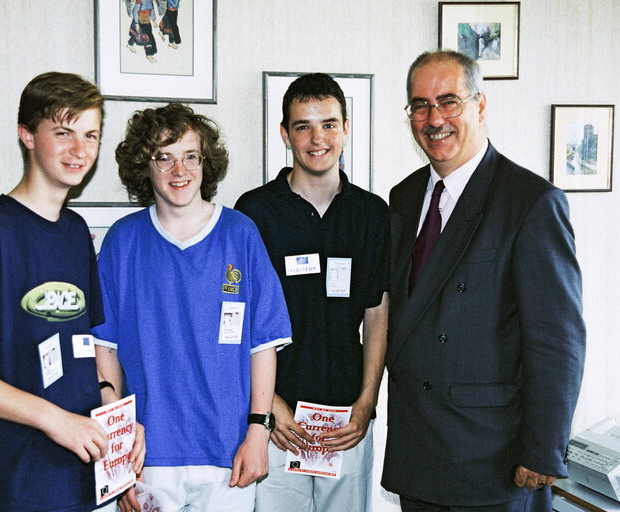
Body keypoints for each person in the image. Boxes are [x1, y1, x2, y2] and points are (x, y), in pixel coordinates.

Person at [0, 71, 145, 512]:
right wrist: (52, 418)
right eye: (63, 133)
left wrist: (118, 422)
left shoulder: (77, 232)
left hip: (75, 482)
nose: (79, 150)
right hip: (7, 482)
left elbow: (82, 353)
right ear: (26, 134)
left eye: (90, 135)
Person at [383, 50, 586, 511]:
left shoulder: (531, 202)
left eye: (449, 101)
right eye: (420, 105)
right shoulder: (404, 197)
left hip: (493, 459)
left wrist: (545, 447)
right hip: (418, 454)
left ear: (480, 105)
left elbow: (558, 340)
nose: (434, 119)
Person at [93, 103, 292, 512]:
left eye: (189, 156)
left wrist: (258, 432)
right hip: (148, 454)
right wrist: (118, 449)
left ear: (206, 162)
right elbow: (104, 348)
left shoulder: (241, 233)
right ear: (143, 166)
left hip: (229, 450)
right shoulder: (122, 241)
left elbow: (263, 345)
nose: (178, 171)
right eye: (162, 158)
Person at [235, 73, 390, 512]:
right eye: (303, 126)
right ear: (285, 134)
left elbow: (378, 311)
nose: (317, 138)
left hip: (346, 421)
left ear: (346, 129)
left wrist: (366, 402)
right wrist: (269, 408)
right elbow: (238, 319)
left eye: (328, 124)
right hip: (276, 423)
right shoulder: (254, 213)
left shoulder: (372, 214)